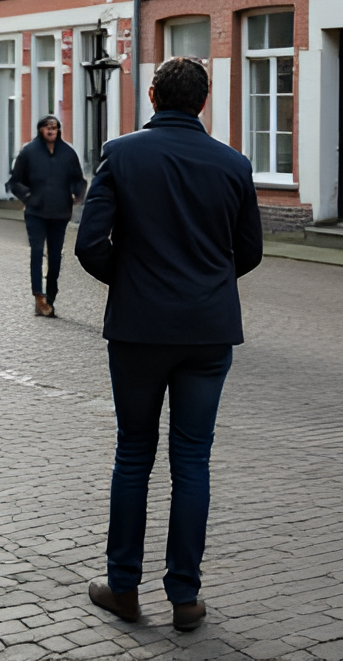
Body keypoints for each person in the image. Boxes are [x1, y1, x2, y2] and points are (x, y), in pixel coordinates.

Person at [75, 57, 262, 633]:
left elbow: (89, 243)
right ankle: (185, 596)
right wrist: (204, 286)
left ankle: (123, 587)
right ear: (203, 101)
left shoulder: (121, 153)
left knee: (134, 452)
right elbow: (249, 251)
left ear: (152, 95)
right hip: (208, 330)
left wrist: (136, 284)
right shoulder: (234, 164)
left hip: (139, 330)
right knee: (193, 458)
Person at [9, 115, 86, 317]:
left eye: (54, 127)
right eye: (46, 127)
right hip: (35, 212)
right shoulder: (29, 152)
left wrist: (77, 194)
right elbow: (15, 181)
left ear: (59, 130)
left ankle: (50, 296)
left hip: (60, 212)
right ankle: (38, 296)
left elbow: (78, 179)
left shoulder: (68, 153)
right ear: (40, 130)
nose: (51, 130)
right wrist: (27, 196)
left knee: (55, 256)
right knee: (36, 251)